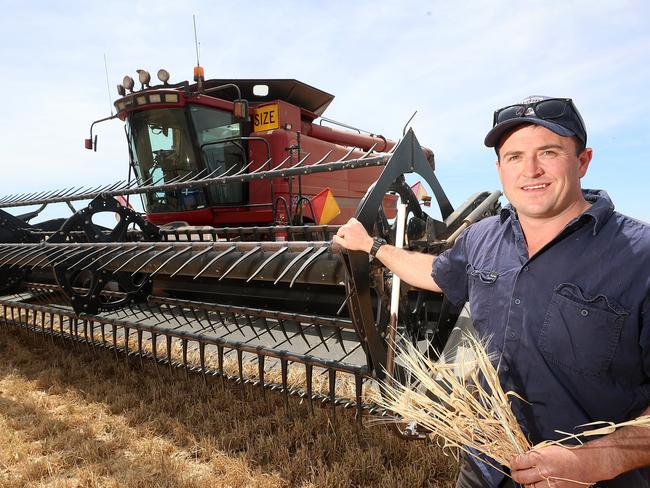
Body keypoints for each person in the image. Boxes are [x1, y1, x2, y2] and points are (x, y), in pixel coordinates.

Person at [332, 96, 650, 488]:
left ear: (582, 160)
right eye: (514, 157)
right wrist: (372, 246)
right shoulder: (483, 238)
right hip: (485, 463)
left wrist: (596, 461)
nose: (530, 170)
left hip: (591, 480)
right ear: (500, 168)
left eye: (548, 152)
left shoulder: (639, 258)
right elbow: (435, 273)